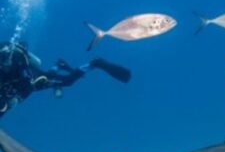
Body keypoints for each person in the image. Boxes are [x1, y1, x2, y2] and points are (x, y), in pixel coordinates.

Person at [0, 40, 131, 117]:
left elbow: (27, 86)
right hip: (23, 80)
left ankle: (95, 63)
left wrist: (10, 103)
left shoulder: (14, 61)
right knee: (47, 75)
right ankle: (58, 65)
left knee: (67, 82)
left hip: (29, 80)